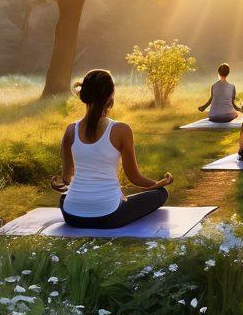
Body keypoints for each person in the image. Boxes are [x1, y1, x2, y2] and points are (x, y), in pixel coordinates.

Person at [51, 69, 173, 229]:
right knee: (161, 193)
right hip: (108, 217)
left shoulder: (70, 130)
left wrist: (58, 185)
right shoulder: (121, 130)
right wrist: (159, 183)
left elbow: (66, 180)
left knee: (65, 197)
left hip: (72, 216)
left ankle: (92, 202)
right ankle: (115, 200)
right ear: (110, 97)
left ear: (85, 95)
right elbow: (134, 177)